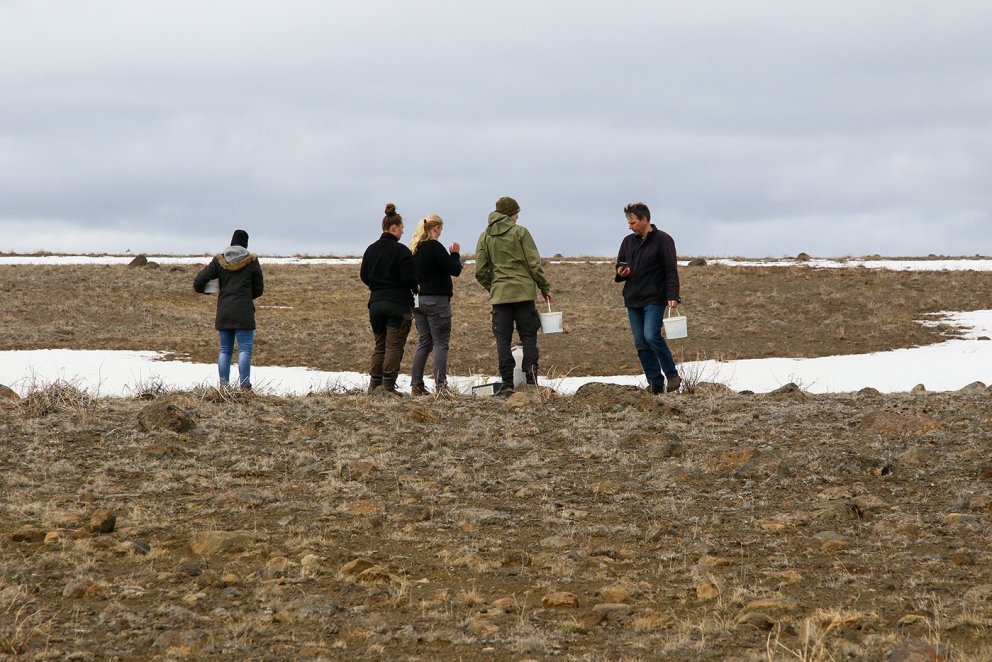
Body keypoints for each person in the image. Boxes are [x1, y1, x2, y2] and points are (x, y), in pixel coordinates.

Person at [475, 196, 551, 395]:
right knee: (528, 336)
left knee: (503, 339)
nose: (517, 217)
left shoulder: (485, 236)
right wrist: (544, 287)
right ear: (510, 214)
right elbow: (534, 264)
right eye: (516, 213)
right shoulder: (521, 233)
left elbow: (480, 271)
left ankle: (507, 382)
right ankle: (531, 380)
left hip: (500, 297)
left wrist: (495, 287)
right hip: (524, 295)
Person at [614, 202, 682, 394]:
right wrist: (621, 271)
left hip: (655, 297)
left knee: (651, 336)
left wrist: (673, 295)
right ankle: (655, 383)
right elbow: (620, 264)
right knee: (641, 343)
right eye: (629, 222)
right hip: (633, 299)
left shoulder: (663, 240)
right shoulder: (628, 241)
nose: (630, 226)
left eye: (633, 222)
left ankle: (672, 375)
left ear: (644, 220)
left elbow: (671, 270)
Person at [193, 229, 265, 390]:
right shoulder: (252, 261)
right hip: (244, 312)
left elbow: (199, 280)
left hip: (224, 311)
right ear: (246, 244)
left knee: (225, 350)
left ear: (231, 242)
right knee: (245, 350)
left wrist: (205, 290)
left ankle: (224, 388)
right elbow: (259, 289)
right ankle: (244, 386)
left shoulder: (219, 261)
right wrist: (245, 296)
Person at [360, 203, 418, 394]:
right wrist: (414, 287)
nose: (402, 232)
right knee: (394, 346)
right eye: (401, 229)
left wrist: (377, 287)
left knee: (380, 345)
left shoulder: (370, 250)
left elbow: (364, 276)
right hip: (397, 304)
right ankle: (388, 387)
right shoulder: (401, 251)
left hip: (375, 303)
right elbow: (409, 278)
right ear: (394, 228)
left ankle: (374, 385)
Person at [409, 214, 462, 396]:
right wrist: (454, 254)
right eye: (440, 228)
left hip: (418, 301)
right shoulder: (434, 246)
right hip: (437, 301)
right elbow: (454, 270)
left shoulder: (414, 249)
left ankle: (416, 385)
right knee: (441, 343)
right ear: (434, 229)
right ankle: (441, 386)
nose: (440, 232)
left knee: (424, 343)